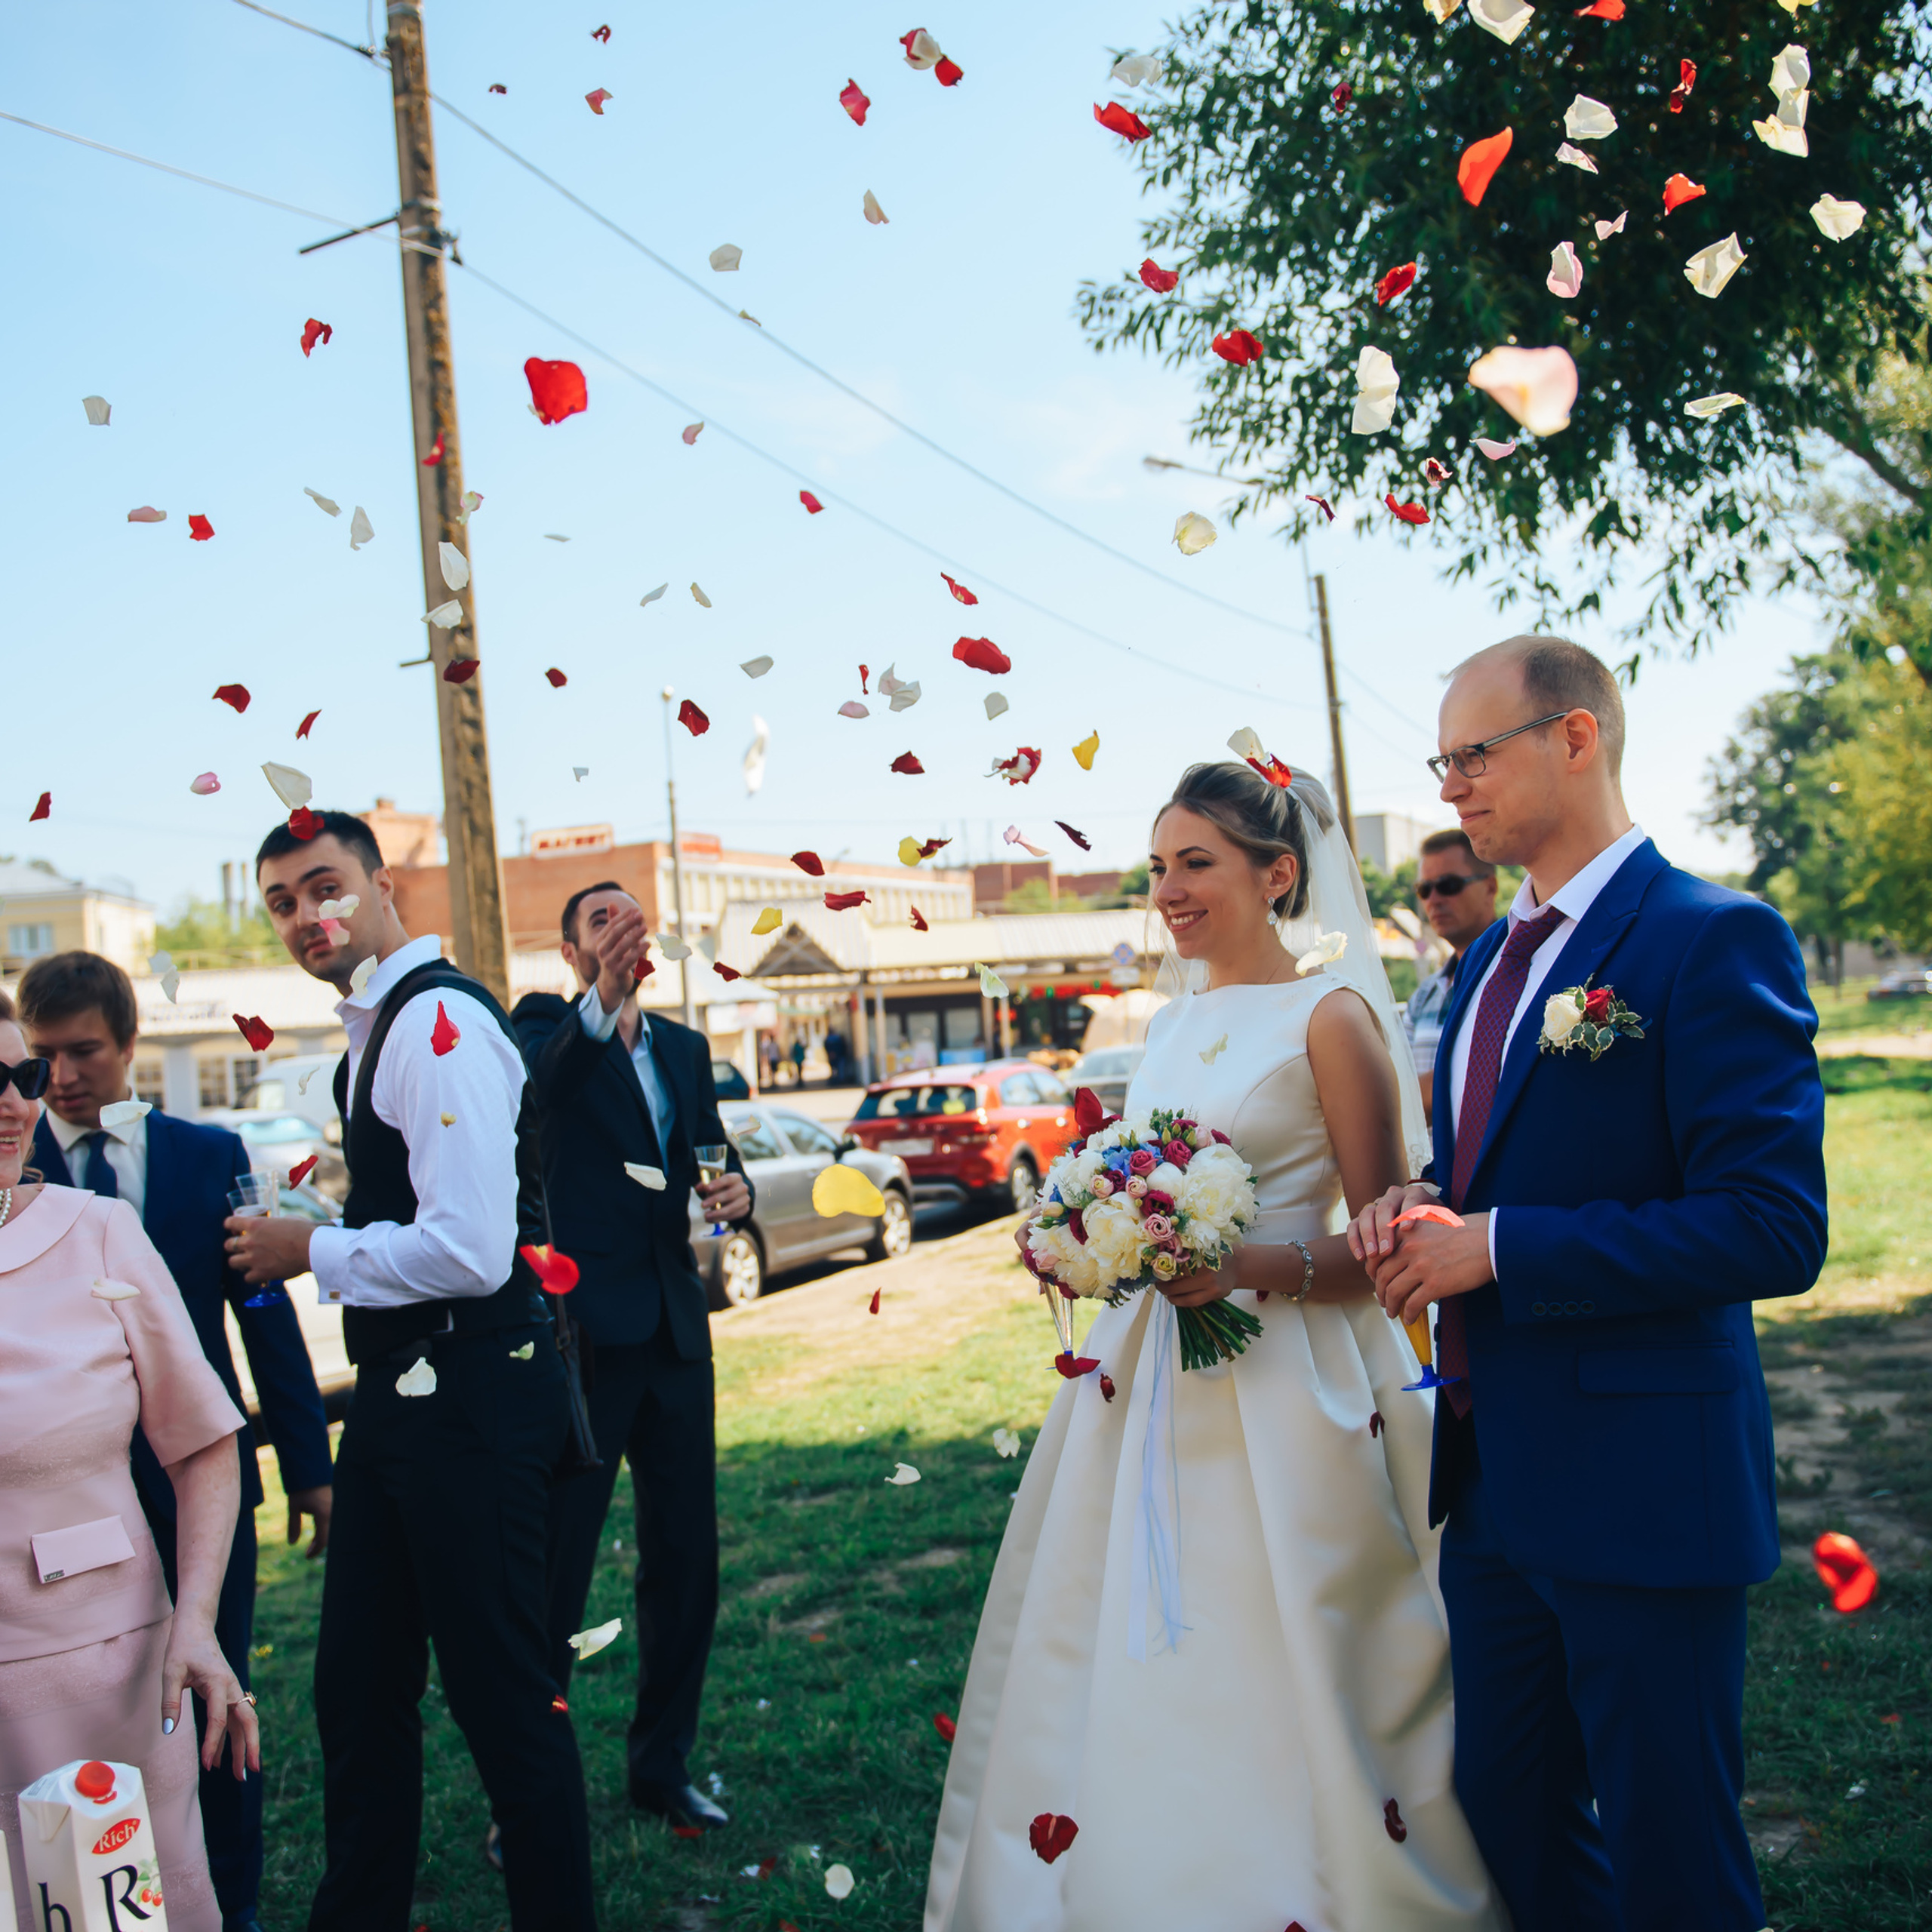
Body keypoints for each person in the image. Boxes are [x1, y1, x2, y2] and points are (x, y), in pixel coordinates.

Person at [927, 761, 1501, 1932]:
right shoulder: (1172, 1021)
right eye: (1159, 866)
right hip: (1151, 1387)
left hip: (1294, 1388)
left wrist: (1246, 1268)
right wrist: (1086, 1235)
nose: (1171, 890)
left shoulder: (1329, 1019)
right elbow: (1145, 1177)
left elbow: (1389, 1238)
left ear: (1276, 874)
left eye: (1198, 863)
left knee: (1294, 1637)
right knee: (1134, 1636)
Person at [1349, 637, 1828, 1932]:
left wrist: (1496, 1247)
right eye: (1439, 761)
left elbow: (1774, 1225)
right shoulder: (1493, 962)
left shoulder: (1710, 938)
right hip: (1495, 1482)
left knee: (1675, 1849)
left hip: (1643, 1482)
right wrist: (1426, 1201)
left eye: (1472, 754)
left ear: (1576, 739)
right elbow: (1502, 1155)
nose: (1450, 788)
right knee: (1509, 1809)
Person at [226, 811, 595, 1932]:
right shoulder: (378, 1023)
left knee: (505, 1705)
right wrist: (336, 1223)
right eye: (283, 902)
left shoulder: (435, 1019)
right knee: (356, 1691)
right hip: (402, 1409)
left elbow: (472, 1252)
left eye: (323, 887)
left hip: (473, 1404)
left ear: (382, 884)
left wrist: (312, 1250)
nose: (305, 916)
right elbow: (425, 1216)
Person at [18, 949, 334, 1932]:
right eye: (44, 1058)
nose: (63, 1078)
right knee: (88, 1730)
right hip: (74, 1505)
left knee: (211, 1697)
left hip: (202, 1478)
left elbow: (262, 1314)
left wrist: (308, 1470)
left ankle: (224, 1897)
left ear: (128, 1047)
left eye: (83, 1053)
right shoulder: (14, 1172)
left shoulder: (202, 1154)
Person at [0, 1011, 259, 1931]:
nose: (10, 1104)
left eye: (20, 1077)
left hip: (114, 1668)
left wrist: (196, 1623)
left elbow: (203, 1441)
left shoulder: (100, 1232)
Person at [510, 883, 753, 1833]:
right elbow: (544, 1092)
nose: (622, 931)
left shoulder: (686, 1050)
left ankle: (661, 1766)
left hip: (675, 1337)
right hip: (583, 1345)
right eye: (598, 924)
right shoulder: (540, 1030)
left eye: (629, 917)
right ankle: (530, 1791)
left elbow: (711, 1152)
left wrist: (729, 1187)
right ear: (574, 955)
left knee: (686, 1561)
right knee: (558, 1571)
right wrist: (601, 1000)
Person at [1401, 831, 1500, 1114]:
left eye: (1448, 885)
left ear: (1490, 887)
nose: (1434, 900)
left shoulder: (1521, 973)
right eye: (1424, 889)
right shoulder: (1424, 996)